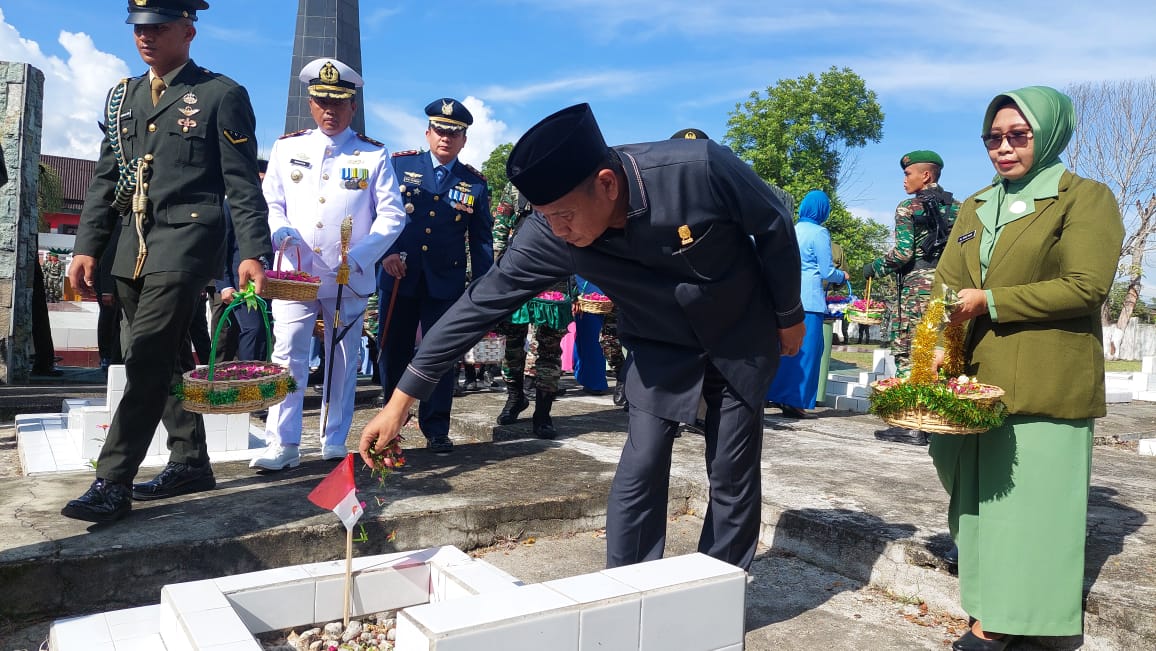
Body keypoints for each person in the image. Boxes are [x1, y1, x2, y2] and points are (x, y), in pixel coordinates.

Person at [361, 103, 804, 572]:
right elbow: (477, 305)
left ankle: (719, 588)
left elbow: (773, 221)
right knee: (641, 466)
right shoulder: (552, 231)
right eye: (546, 217)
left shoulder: (697, 169)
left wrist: (789, 314)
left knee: (731, 475)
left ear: (607, 184)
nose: (559, 231)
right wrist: (399, 404)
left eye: (565, 215)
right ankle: (628, 590)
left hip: (739, 332)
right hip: (660, 345)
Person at [61, 0, 272, 523]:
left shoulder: (220, 94)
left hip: (186, 244)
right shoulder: (123, 97)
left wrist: (252, 252)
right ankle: (190, 459)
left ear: (188, 30)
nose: (145, 37)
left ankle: (112, 480)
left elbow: (242, 184)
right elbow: (107, 179)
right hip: (132, 250)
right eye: (138, 28)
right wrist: (86, 245)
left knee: (147, 357)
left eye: (157, 27)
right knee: (170, 355)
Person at [931, 86, 1123, 650]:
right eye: (994, 137)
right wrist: (941, 338)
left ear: (1049, 134)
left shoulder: (1082, 198)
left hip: (1045, 376)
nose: (1003, 148)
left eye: (1018, 135)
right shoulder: (974, 204)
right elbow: (947, 282)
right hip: (974, 381)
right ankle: (986, 603)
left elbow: (1086, 286)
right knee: (975, 504)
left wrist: (988, 302)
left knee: (1031, 508)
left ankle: (1009, 623)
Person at [250, 58, 406, 471]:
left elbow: (392, 216)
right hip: (295, 273)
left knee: (342, 359)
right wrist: (281, 231)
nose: (329, 111)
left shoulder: (372, 154)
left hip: (347, 277)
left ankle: (334, 439)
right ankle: (282, 443)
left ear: (352, 106)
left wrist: (358, 257)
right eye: (321, 102)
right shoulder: (288, 148)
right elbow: (271, 203)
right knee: (287, 357)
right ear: (310, 103)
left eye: (338, 103)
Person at [375, 98, 493, 454]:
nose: (446, 138)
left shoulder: (474, 183)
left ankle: (437, 427)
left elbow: (482, 239)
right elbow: (376, 215)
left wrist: (484, 288)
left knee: (440, 354)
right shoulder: (398, 166)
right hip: (399, 275)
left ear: (464, 140)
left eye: (454, 133)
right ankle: (390, 424)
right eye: (440, 130)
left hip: (446, 282)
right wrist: (385, 254)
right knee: (393, 351)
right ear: (428, 133)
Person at [864, 149, 960, 445]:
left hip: (917, 286)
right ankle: (933, 421)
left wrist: (874, 267)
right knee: (936, 351)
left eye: (908, 174)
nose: (904, 180)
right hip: (946, 287)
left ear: (925, 175)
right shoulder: (959, 208)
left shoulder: (908, 207)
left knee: (910, 350)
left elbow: (903, 254)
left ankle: (912, 424)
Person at [491, 182, 571, 438]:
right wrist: (495, 273)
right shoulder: (516, 187)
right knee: (512, 345)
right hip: (517, 272)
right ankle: (515, 399)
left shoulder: (575, 182)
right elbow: (500, 229)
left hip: (555, 273)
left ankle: (543, 413)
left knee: (549, 349)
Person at [765, 190, 847, 418]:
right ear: (823, 210)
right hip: (809, 300)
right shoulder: (820, 233)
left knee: (783, 351)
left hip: (785, 296)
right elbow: (826, 271)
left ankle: (774, 394)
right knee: (808, 352)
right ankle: (795, 402)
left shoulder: (790, 228)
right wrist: (843, 277)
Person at [214, 159, 272, 365]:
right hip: (241, 285)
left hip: (270, 283)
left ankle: (262, 375)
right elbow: (221, 248)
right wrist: (224, 285)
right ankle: (249, 377)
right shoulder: (231, 207)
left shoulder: (275, 207)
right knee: (252, 329)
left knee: (266, 331)